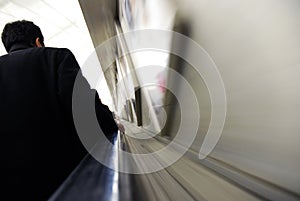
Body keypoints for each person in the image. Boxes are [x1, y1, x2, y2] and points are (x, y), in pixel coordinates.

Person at [0, 20, 120, 200]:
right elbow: (84, 109)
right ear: (38, 41)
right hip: (66, 180)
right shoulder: (55, 57)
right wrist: (111, 123)